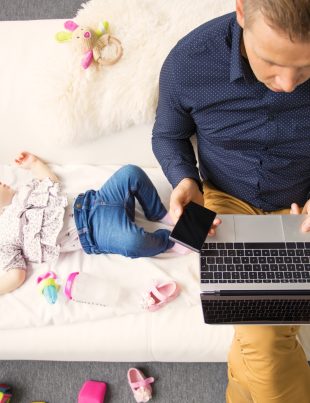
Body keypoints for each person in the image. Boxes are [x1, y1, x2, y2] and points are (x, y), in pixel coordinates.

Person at [152, 0, 310, 402]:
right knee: (265, 335)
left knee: (262, 337)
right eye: (273, 62)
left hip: (302, 203)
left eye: (307, 67)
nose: (289, 83)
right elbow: (168, 135)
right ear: (242, 12)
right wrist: (184, 179)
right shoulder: (190, 61)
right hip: (226, 201)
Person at [0, 152, 187, 295]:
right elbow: (15, 275)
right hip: (93, 232)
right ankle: (168, 241)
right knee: (133, 242)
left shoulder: (24, 193)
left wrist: (34, 163)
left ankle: (158, 212)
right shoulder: (5, 238)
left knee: (131, 172)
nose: (2, 182)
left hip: (96, 200)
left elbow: (50, 181)